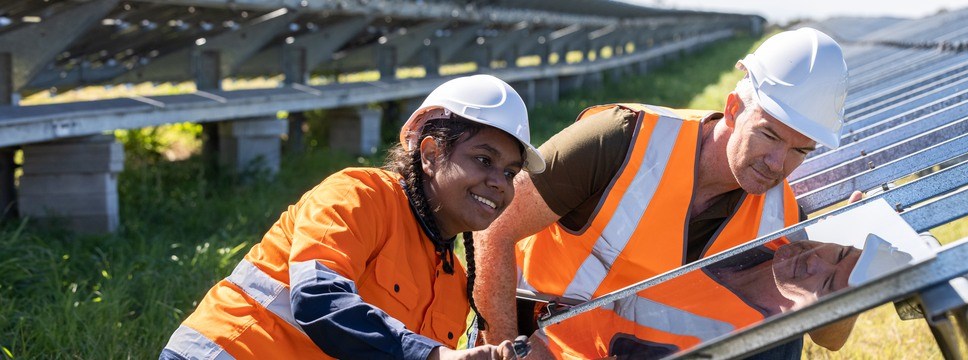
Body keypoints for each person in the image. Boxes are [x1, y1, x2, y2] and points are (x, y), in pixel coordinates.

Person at [472, 27, 859, 358]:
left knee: (780, 333)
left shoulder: (782, 215)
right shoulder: (619, 139)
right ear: (733, 108)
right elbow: (493, 229)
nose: (777, 163)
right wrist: (511, 349)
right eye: (769, 134)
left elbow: (829, 339)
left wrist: (859, 267)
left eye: (799, 150)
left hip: (632, 349)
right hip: (538, 340)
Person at [160, 74, 545, 360]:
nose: (500, 183)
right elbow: (317, 300)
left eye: (510, 172)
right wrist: (436, 356)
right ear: (429, 154)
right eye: (483, 160)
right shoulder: (357, 196)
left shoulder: (452, 284)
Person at [530, 240, 864, 359]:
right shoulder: (780, 226)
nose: (817, 258)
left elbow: (830, 337)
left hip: (543, 348)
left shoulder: (758, 349)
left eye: (829, 281)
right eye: (841, 251)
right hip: (532, 292)